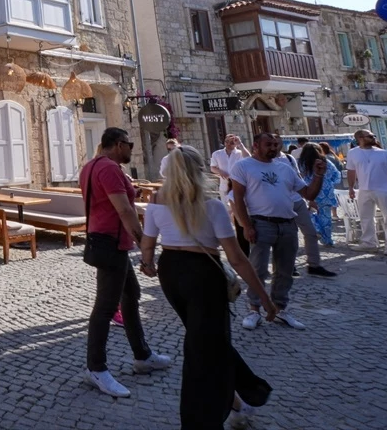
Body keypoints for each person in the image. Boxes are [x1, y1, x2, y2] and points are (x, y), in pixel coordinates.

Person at [141, 146, 275, 430]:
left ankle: (241, 400)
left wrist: (148, 263)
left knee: (205, 342)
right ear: (199, 170)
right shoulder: (211, 206)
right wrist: (263, 297)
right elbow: (237, 258)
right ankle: (203, 419)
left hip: (171, 271)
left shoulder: (155, 202)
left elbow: (148, 243)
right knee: (203, 345)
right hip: (202, 274)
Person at [80, 127, 170, 398]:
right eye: (130, 144)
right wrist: (145, 244)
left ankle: (142, 355)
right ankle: (96, 367)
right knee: (106, 307)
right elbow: (124, 210)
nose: (132, 149)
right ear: (119, 145)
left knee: (131, 294)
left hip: (107, 240)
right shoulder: (109, 168)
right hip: (110, 242)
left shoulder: (91, 166)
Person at [231, 132, 327, 331]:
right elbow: (238, 198)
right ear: (256, 145)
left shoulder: (285, 168)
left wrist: (319, 175)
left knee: (285, 270)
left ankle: (280, 307)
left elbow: (308, 193)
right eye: (269, 144)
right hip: (261, 222)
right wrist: (246, 225)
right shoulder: (243, 166)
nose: (274, 148)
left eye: (276, 144)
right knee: (258, 269)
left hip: (287, 223)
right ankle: (254, 309)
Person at [275, 133, 335, 278]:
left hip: (297, 200)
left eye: (277, 142)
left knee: (311, 233)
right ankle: (289, 266)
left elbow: (298, 178)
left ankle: (314, 265)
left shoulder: (289, 158)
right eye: (270, 143)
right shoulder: (261, 162)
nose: (274, 145)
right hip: (280, 203)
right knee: (287, 237)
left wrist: (309, 198)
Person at [346, 129, 387, 255]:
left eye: (373, 136)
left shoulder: (383, 153)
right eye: (370, 136)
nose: (374, 138)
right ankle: (368, 243)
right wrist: (351, 188)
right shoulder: (352, 153)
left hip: (384, 189)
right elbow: (351, 171)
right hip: (364, 189)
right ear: (360, 138)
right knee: (365, 218)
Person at [301, 145, 340, 246]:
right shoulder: (326, 162)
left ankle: (316, 228)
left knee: (309, 214)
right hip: (326, 193)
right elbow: (336, 175)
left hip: (309, 192)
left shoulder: (301, 164)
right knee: (326, 218)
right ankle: (327, 240)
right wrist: (329, 182)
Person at [210, 134, 247, 204]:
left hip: (238, 185)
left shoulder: (240, 153)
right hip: (224, 185)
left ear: (235, 144)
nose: (228, 144)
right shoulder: (217, 154)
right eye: (226, 142)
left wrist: (240, 144)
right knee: (226, 208)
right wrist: (220, 171)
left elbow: (249, 159)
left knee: (239, 206)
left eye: (232, 143)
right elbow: (212, 168)